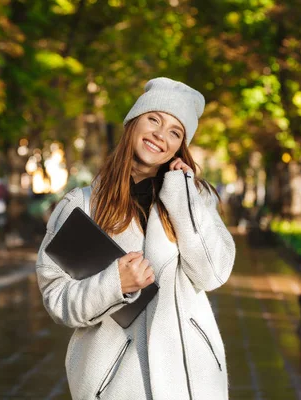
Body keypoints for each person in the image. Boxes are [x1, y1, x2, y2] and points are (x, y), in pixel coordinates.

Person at [36, 77, 235, 400]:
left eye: (175, 131)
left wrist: (182, 196)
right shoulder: (80, 205)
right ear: (133, 123)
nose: (161, 134)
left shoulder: (194, 196)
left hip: (189, 381)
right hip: (115, 384)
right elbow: (57, 300)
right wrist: (114, 284)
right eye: (154, 119)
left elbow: (213, 274)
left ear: (180, 146)